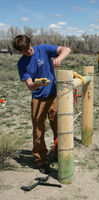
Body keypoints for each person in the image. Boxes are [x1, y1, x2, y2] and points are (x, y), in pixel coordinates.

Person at [12, 35, 71, 174]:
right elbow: (30, 86)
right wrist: (37, 83)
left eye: (28, 47)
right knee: (38, 130)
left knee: (59, 126)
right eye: (24, 50)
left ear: (31, 43)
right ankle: (41, 160)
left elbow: (66, 49)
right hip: (37, 99)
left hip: (53, 96)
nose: (28, 51)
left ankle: (59, 153)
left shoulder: (43, 49)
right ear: (20, 51)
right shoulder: (21, 64)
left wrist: (58, 58)